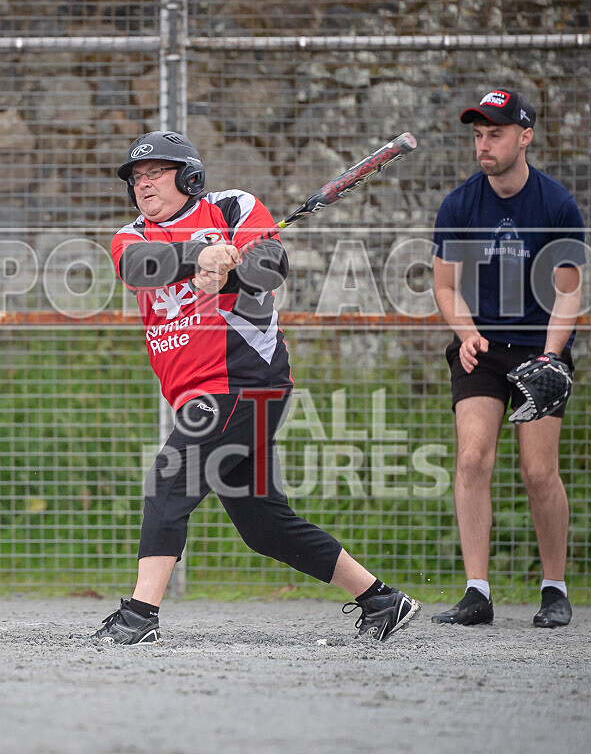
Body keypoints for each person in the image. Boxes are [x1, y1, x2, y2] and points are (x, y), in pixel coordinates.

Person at [93, 130, 420, 644]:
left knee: (169, 482)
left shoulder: (232, 208)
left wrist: (228, 275)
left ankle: (139, 616)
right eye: (136, 177)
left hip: (242, 381)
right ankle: (381, 599)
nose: (144, 184)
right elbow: (137, 267)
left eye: (156, 172)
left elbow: (270, 269)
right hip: (204, 394)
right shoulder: (132, 235)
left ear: (188, 177)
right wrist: (197, 256)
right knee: (264, 525)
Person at [432, 89, 585, 628]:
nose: (484, 144)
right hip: (481, 350)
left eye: (494, 134)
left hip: (541, 350)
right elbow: (445, 286)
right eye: (478, 135)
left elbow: (568, 291)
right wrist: (466, 333)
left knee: (539, 471)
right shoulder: (459, 205)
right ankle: (477, 593)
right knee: (473, 459)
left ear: (525, 137)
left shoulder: (557, 204)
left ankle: (554, 589)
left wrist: (552, 357)